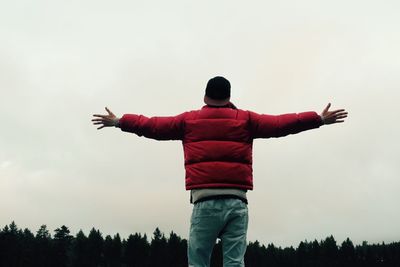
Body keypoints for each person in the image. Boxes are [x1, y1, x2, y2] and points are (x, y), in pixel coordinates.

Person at [92, 76, 347, 267]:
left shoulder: (189, 120)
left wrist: (120, 121)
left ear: (205, 97)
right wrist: (318, 118)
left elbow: (153, 126)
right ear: (228, 96)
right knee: (234, 264)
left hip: (205, 203)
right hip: (237, 202)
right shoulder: (246, 119)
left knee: (198, 263)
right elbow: (281, 124)